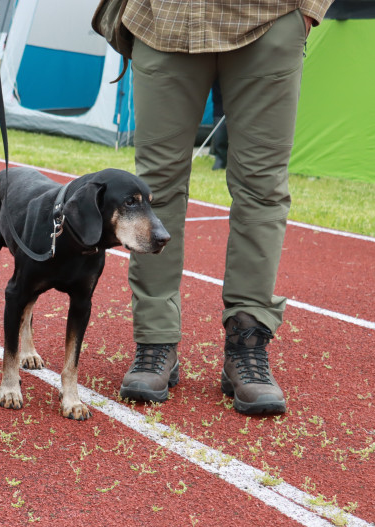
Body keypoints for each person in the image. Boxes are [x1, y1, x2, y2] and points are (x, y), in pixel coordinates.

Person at [117, 0, 333, 416]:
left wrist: (308, 10)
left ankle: (247, 346)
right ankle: (155, 340)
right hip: (163, 18)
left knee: (262, 186)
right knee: (154, 188)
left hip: (269, 16)